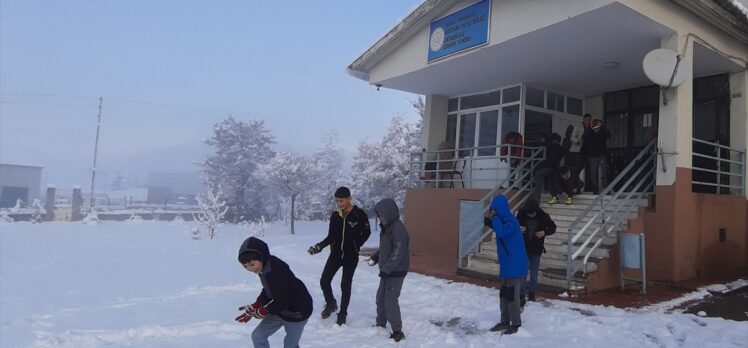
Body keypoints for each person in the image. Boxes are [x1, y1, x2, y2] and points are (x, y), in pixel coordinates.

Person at [307, 186, 371, 325]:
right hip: (335, 254)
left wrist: (356, 244)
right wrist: (319, 247)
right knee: (324, 280)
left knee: (345, 285)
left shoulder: (359, 214)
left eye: (341, 200)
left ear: (349, 198)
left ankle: (342, 313)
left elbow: (367, 232)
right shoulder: (336, 216)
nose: (339, 204)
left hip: (351, 256)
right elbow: (331, 236)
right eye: (337, 201)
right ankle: (331, 303)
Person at [236, 237, 313, 348]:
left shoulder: (277, 270)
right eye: (245, 266)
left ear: (261, 257)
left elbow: (285, 299)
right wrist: (258, 304)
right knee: (258, 336)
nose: (249, 269)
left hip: (297, 312)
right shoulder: (264, 267)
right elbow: (270, 290)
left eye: (252, 264)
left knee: (290, 345)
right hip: (279, 309)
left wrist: (264, 310)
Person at [484, 194, 527, 335]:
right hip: (508, 264)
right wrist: (489, 221)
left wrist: (494, 219)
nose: (492, 212)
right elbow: (498, 228)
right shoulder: (503, 220)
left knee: (511, 295)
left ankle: (515, 323)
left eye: (493, 209)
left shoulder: (510, 220)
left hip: (514, 265)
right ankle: (504, 320)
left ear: (498, 208)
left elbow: (502, 232)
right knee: (503, 294)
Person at [367, 198, 409, 342]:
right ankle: (380, 324)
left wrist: (387, 269)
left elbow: (398, 252)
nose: (381, 218)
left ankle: (397, 331)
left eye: (382, 215)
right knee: (380, 298)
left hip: (396, 272)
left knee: (390, 300)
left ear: (390, 213)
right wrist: (377, 256)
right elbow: (386, 248)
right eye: (379, 215)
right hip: (387, 271)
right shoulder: (387, 228)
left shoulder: (398, 229)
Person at [516, 199, 556, 302]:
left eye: (532, 214)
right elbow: (513, 226)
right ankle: (521, 294)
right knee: (523, 273)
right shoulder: (521, 214)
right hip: (523, 248)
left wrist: (544, 232)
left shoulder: (544, 216)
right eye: (528, 214)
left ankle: (532, 293)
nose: (530, 215)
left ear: (536, 211)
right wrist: (518, 228)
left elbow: (553, 228)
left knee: (534, 273)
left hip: (536, 248)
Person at [582, 118, 612, 194]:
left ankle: (606, 188)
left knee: (604, 171)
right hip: (592, 156)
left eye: (598, 128)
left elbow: (609, 134)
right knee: (593, 172)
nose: (596, 129)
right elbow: (583, 137)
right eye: (595, 128)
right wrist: (590, 127)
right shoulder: (590, 132)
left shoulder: (603, 131)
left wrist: (602, 126)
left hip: (602, 155)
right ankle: (595, 188)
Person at [532, 133, 563, 202]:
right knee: (550, 182)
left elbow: (540, 145)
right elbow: (560, 158)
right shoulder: (558, 146)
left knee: (538, 188)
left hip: (541, 168)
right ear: (558, 140)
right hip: (552, 167)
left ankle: (536, 203)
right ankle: (554, 197)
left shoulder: (548, 145)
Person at [576, 114, 593, 191]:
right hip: (582, 152)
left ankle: (588, 188)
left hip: (590, 153)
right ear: (583, 120)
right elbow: (579, 138)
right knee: (577, 169)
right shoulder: (579, 128)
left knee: (589, 171)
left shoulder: (592, 128)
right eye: (586, 119)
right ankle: (576, 186)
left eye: (589, 120)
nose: (587, 121)